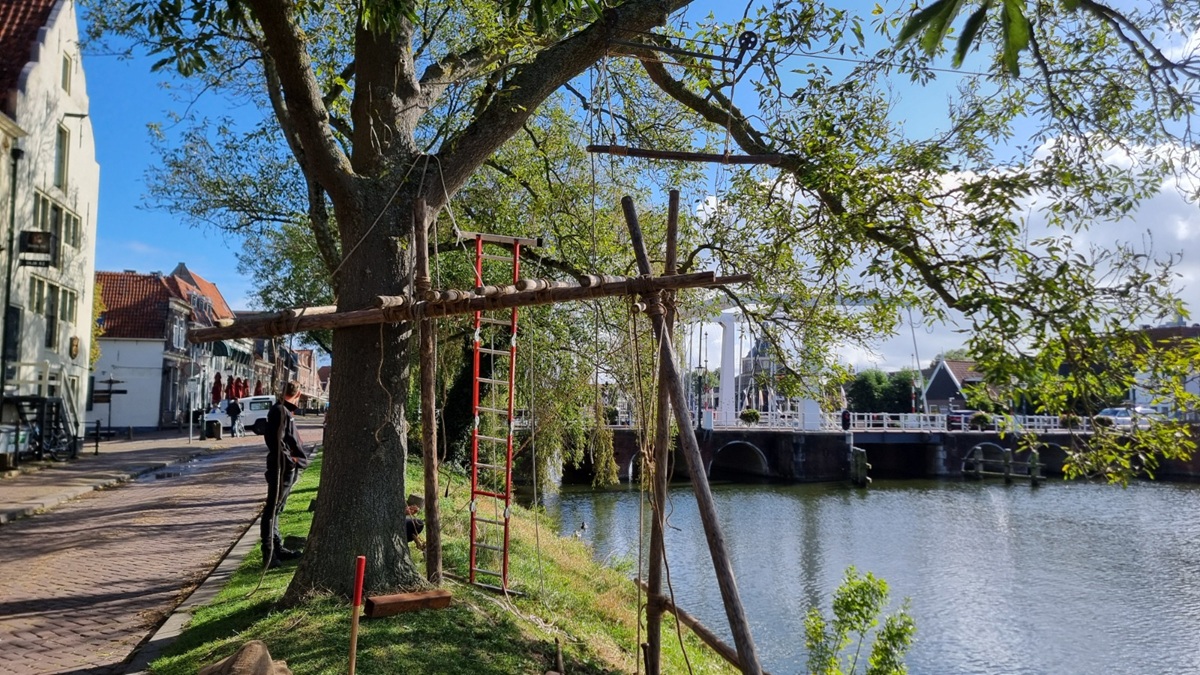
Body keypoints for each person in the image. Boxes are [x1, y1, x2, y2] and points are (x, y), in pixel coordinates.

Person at [262, 381, 311, 568]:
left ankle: (277, 547)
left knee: (278, 508)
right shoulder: (280, 411)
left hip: (285, 466)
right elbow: (276, 442)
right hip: (281, 468)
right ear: (297, 395)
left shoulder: (284, 411)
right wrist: (291, 462)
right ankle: (269, 553)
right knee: (272, 509)